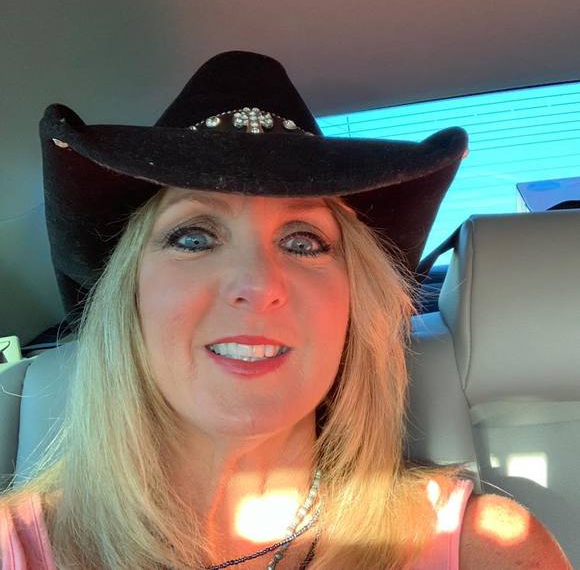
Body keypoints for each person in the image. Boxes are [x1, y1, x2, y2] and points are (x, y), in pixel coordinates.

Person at [0, 51, 571, 570]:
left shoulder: (489, 550)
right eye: (194, 238)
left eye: (303, 242)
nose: (257, 284)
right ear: (128, 301)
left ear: (354, 310)